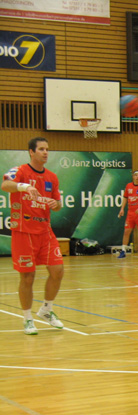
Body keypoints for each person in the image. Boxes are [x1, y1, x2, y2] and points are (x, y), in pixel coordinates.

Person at [2, 137, 64, 335]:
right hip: (24, 231)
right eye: (41, 149)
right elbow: (5, 185)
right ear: (31, 152)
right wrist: (24, 187)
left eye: (47, 149)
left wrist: (56, 204)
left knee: (58, 271)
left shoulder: (52, 177)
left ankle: (46, 309)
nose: (45, 152)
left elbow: (58, 203)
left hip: (45, 231)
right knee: (28, 277)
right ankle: (27, 318)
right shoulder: (20, 171)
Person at [117, 170, 138, 259]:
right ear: (133, 176)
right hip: (130, 213)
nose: (137, 177)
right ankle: (123, 251)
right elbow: (125, 197)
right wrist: (122, 209)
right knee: (126, 231)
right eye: (135, 175)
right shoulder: (128, 186)